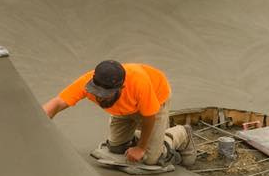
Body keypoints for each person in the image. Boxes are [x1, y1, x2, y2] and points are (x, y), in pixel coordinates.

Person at [42, 59, 196, 169]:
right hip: (123, 109)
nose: (99, 96)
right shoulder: (88, 82)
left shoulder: (139, 84)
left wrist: (141, 148)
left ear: (121, 88)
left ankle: (181, 134)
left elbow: (149, 117)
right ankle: (150, 138)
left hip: (155, 99)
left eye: (105, 94)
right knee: (116, 148)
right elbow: (58, 102)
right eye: (97, 92)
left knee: (150, 159)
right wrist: (38, 119)